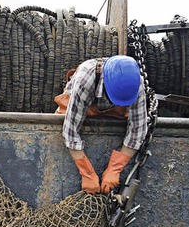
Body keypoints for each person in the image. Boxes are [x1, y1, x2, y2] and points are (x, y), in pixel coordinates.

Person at [60, 55, 148, 194]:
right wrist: (87, 173)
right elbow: (70, 132)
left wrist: (115, 168)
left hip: (115, 113)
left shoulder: (136, 85)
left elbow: (138, 131)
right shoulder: (85, 80)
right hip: (79, 103)